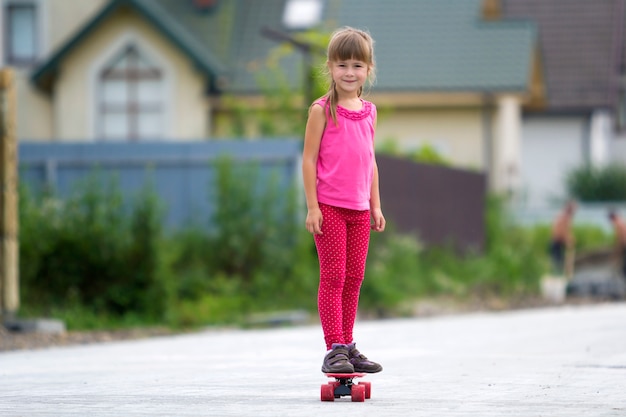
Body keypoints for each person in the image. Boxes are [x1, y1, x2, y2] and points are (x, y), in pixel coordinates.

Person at [302, 27, 385, 374]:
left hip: (360, 210)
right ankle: (333, 347)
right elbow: (308, 160)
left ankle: (347, 346)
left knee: (354, 278)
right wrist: (312, 206)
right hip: (330, 208)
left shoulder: (369, 111)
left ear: (368, 69)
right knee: (333, 277)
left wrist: (376, 205)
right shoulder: (322, 110)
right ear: (330, 67)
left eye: (357, 65)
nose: (349, 73)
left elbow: (370, 161)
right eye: (342, 65)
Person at [548, 201, 576, 275]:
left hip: (559, 242)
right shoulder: (564, 217)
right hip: (558, 242)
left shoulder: (564, 216)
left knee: (562, 261)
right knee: (558, 263)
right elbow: (561, 230)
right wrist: (568, 240)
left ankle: (566, 274)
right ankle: (563, 275)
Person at [608, 210, 626, 278]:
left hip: (624, 246)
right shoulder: (622, 221)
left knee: (624, 265)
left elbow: (620, 239)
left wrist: (617, 250)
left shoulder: (617, 223)